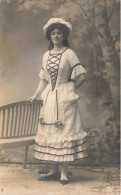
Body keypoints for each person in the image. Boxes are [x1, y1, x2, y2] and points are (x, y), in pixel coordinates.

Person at [29, 18, 88, 185]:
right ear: (50, 36)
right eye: (53, 33)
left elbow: (82, 75)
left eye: (59, 33)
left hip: (64, 99)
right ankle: (53, 170)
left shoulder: (69, 53)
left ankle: (63, 173)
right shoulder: (46, 55)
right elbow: (44, 79)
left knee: (64, 132)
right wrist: (35, 94)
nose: (56, 36)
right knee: (51, 133)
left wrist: (70, 89)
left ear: (64, 36)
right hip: (49, 98)